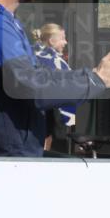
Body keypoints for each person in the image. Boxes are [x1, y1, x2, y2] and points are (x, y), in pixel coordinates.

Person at [0, 0, 110, 156]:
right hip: (4, 164)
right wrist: (97, 80)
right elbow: (30, 87)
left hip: (6, 159)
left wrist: (95, 75)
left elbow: (39, 76)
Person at [32, 22, 75, 150]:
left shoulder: (35, 55)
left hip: (39, 110)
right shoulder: (50, 60)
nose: (66, 42)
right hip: (44, 112)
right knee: (44, 146)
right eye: (62, 38)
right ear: (51, 40)